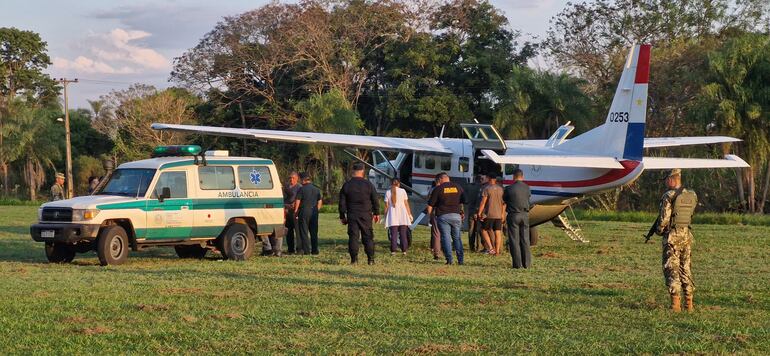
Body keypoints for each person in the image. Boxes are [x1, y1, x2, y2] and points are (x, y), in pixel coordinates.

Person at [655, 168, 697, 312]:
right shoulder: (692, 194)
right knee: (685, 269)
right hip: (686, 235)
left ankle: (675, 305)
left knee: (671, 269)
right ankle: (689, 304)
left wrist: (659, 231)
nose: (666, 182)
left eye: (667, 179)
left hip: (672, 237)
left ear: (673, 178)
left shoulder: (668, 195)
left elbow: (664, 219)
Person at [339, 163, 380, 265]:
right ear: (362, 171)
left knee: (353, 237)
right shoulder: (369, 184)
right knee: (368, 237)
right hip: (366, 215)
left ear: (353, 171)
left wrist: (342, 216)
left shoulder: (347, 185)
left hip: (352, 214)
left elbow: (342, 203)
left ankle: (354, 260)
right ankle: (371, 260)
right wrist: (376, 213)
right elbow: (375, 199)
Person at [427, 172, 466, 265]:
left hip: (443, 216)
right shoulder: (458, 187)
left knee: (446, 238)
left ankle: (449, 260)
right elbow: (464, 200)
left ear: (440, 179)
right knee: (457, 238)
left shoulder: (438, 188)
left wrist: (430, 217)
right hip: (456, 216)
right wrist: (461, 212)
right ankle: (460, 260)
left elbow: (430, 205)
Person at [503, 169, 531, 269]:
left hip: (513, 214)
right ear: (522, 176)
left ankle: (517, 264)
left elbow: (505, 199)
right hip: (525, 214)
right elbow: (528, 198)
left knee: (514, 240)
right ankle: (527, 264)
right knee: (525, 239)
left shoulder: (509, 188)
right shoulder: (527, 188)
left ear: (513, 176)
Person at [294, 172, 322, 255]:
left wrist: (296, 211)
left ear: (303, 180)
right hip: (314, 211)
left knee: (304, 231)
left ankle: (306, 251)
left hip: (304, 211)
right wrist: (317, 210)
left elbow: (298, 200)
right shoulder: (316, 189)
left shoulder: (301, 189)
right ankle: (315, 250)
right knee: (314, 232)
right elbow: (320, 201)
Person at [384, 178, 413, 255]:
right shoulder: (403, 191)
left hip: (393, 215)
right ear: (399, 184)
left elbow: (386, 206)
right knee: (403, 234)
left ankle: (393, 251)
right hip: (403, 215)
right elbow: (406, 204)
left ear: (391, 183)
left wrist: (385, 216)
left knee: (393, 234)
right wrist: (409, 214)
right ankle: (404, 251)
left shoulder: (387, 192)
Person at [478, 174, 504, 256]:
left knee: (484, 230)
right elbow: (504, 204)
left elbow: (483, 202)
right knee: (498, 232)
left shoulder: (487, 188)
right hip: (499, 215)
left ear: (489, 179)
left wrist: (479, 212)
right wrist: (502, 214)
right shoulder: (501, 189)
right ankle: (497, 251)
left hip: (489, 214)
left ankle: (491, 248)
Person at [465, 174, 485, 252]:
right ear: (480, 180)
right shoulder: (482, 188)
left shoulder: (469, 187)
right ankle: (478, 247)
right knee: (479, 230)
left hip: (470, 210)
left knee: (471, 230)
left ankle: (471, 247)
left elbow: (465, 198)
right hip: (479, 211)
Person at [283, 172, 301, 255]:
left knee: (298, 231)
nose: (291, 179)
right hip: (287, 212)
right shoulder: (286, 187)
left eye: (293, 178)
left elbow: (300, 199)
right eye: (290, 178)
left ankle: (299, 249)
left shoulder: (299, 187)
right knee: (289, 232)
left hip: (296, 212)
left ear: (297, 178)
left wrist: (295, 205)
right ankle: (290, 249)